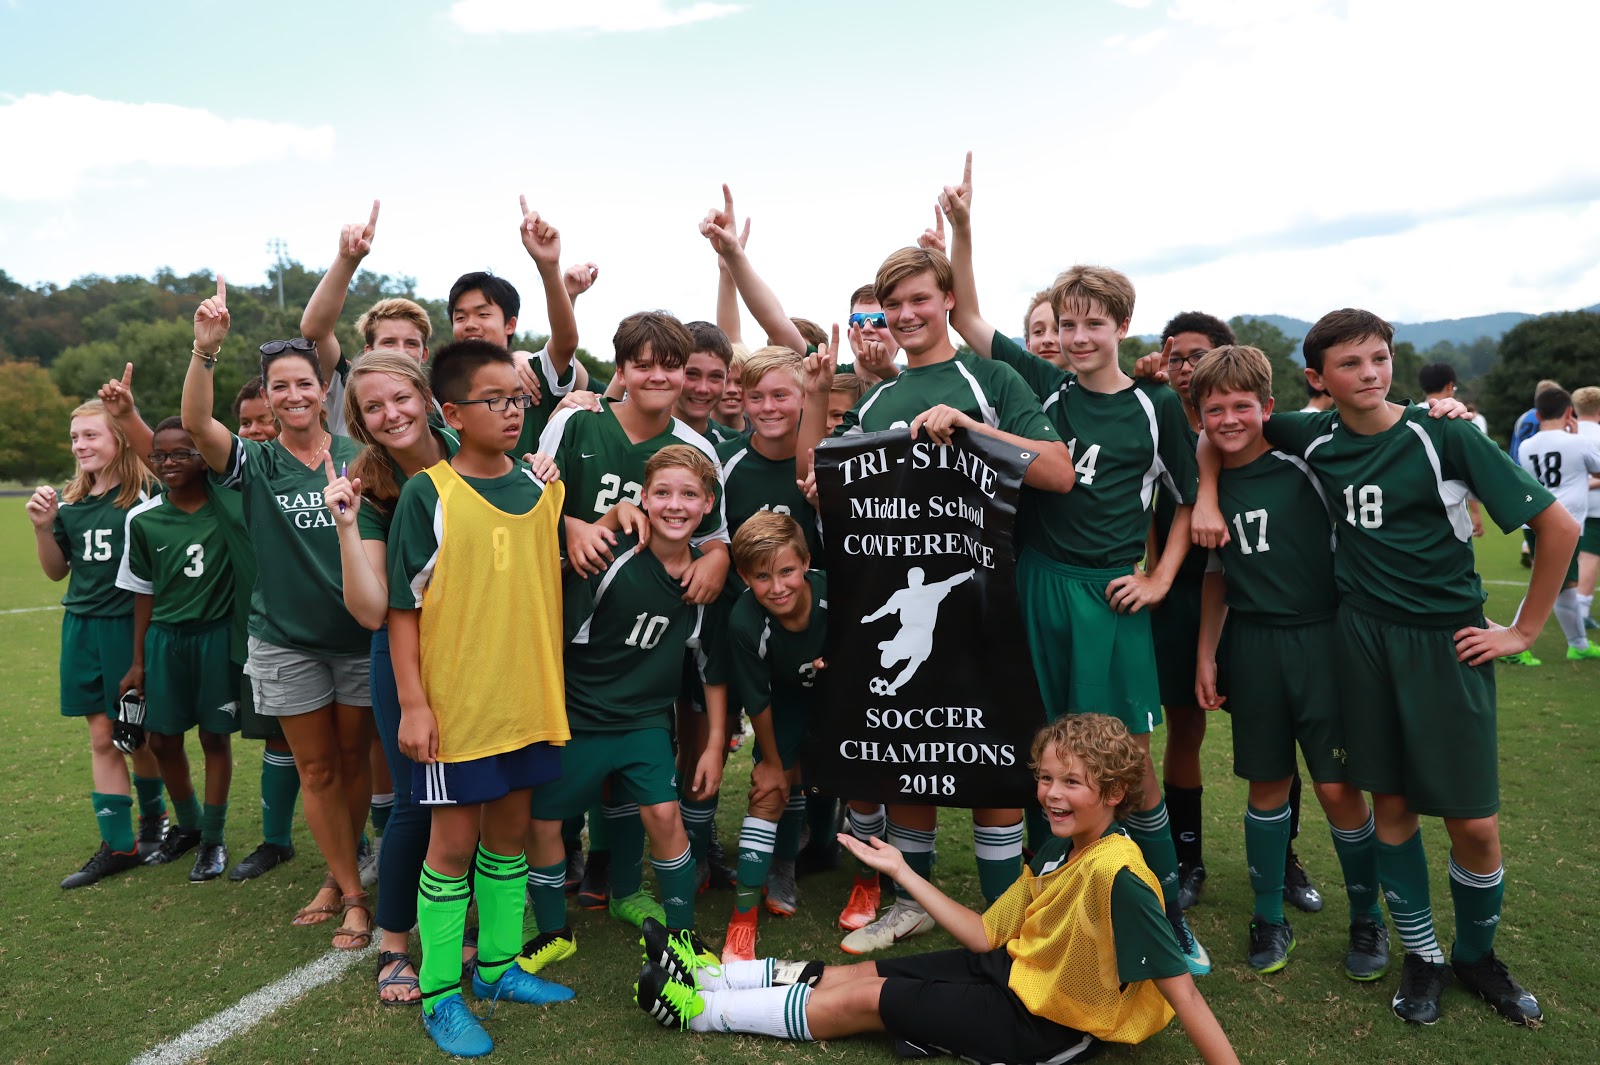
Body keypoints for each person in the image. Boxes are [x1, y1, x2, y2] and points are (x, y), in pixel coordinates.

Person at [1191, 308, 1576, 1027]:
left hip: (1444, 643)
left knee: (1475, 823)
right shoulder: (1313, 434)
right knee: (1392, 807)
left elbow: (1558, 525)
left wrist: (1524, 630)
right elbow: (1219, 430)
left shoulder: (1445, 433)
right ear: (1317, 378)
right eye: (1350, 363)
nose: (1369, 374)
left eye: (1378, 358)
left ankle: (1476, 956)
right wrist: (1207, 493)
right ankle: (1422, 954)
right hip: (1362, 641)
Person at [941, 154, 1208, 975]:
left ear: (1121, 325)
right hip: (1037, 586)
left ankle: (1166, 912)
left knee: (1130, 763)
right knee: (1046, 758)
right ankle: (1052, 904)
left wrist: (1160, 578)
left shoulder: (1154, 407)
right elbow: (969, 317)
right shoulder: (1040, 384)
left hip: (1109, 597)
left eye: (1094, 323)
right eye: (1066, 324)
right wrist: (963, 228)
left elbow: (1188, 505)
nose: (1078, 337)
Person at [780, 220, 1073, 952]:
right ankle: (910, 901)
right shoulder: (879, 399)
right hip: (899, 600)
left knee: (989, 756)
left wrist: (971, 428)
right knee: (909, 756)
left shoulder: (990, 380)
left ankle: (1006, 916)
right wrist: (822, 486)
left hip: (987, 604)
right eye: (892, 305)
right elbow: (826, 483)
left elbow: (1057, 472)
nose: (906, 315)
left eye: (918, 299)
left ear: (947, 299)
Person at [636, 714, 1239, 1065]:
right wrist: (903, 872)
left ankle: (702, 1013)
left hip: (1049, 1025)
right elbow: (985, 933)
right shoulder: (1062, 844)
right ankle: (716, 976)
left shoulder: (1121, 877)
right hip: (1015, 971)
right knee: (866, 973)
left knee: (868, 1001)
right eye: (1047, 778)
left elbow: (1184, 995)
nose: (1052, 794)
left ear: (1113, 793)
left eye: (1072, 783)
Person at [386, 338, 575, 1056]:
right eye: (493, 400)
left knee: (508, 837)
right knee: (451, 847)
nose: (512, 411)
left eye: (517, 398)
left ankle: (496, 968)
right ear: (453, 412)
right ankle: (441, 993)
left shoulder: (542, 488)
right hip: (459, 713)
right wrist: (414, 703)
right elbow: (402, 610)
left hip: (528, 703)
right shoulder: (428, 493)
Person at [181, 277, 375, 951]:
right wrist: (205, 350)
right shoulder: (256, 461)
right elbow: (197, 423)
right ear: (266, 396)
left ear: (324, 390)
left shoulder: (359, 456)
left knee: (354, 763)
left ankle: (336, 871)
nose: (293, 395)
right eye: (279, 387)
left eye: (304, 383)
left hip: (357, 638)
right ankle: (352, 894)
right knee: (315, 769)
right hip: (285, 643)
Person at [1188, 346, 1388, 979]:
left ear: (1268, 407)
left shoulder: (1305, 463)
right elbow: (1216, 577)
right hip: (1253, 644)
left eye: (1241, 406)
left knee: (1336, 786)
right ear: (1200, 415)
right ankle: (1269, 915)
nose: (1228, 419)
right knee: (1266, 783)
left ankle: (1368, 918)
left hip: (1323, 640)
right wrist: (1206, 654)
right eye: (1214, 409)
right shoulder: (1204, 482)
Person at [538, 310, 730, 918]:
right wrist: (573, 525)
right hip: (567, 609)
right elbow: (530, 501)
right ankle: (555, 890)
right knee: (555, 786)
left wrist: (719, 559)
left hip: (647, 620)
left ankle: (620, 880)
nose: (657, 376)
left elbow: (717, 535)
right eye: (641, 364)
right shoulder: (575, 420)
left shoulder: (698, 448)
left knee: (633, 762)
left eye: (669, 366)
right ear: (620, 369)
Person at [521, 444, 728, 977]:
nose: (675, 505)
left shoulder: (706, 578)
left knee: (664, 814)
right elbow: (552, 632)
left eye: (689, 495)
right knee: (542, 821)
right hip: (579, 717)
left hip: (644, 721)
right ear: (644, 499)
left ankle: (681, 936)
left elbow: (710, 668)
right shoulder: (610, 557)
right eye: (663, 493)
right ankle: (553, 932)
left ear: (708, 504)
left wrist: (712, 745)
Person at [320, 350, 461, 1003]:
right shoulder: (368, 480)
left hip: (476, 648)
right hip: (403, 653)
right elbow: (372, 610)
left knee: (472, 797)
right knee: (414, 801)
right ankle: (395, 944)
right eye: (372, 407)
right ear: (360, 420)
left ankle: (462, 927)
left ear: (427, 398)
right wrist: (346, 528)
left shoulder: (471, 445)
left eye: (400, 398)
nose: (391, 414)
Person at [28, 398, 168, 888]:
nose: (80, 445)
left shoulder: (148, 495)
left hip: (129, 628)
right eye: (75, 437)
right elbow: (56, 571)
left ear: (120, 439)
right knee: (101, 736)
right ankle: (119, 844)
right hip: (82, 628)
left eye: (91, 435)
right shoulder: (70, 504)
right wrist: (43, 528)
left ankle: (155, 819)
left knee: (137, 734)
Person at [115, 417, 246, 882]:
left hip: (216, 638)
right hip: (165, 640)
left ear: (203, 457)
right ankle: (188, 824)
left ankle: (213, 837)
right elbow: (143, 592)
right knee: (162, 739)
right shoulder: (143, 518)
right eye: (159, 455)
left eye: (180, 454)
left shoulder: (230, 506)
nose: (168, 462)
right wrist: (137, 661)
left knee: (214, 737)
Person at [1149, 311, 1233, 912]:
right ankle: (1185, 855)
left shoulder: (1243, 425)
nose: (1185, 368)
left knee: (1269, 732)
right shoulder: (1151, 418)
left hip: (1246, 599)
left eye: (1198, 356)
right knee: (1184, 725)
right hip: (1174, 596)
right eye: (1176, 357)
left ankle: (1285, 858)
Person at [718, 513, 828, 962]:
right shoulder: (744, 621)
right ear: (745, 577)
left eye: (787, 571)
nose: (778, 587)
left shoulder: (835, 594)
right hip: (781, 702)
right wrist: (770, 761)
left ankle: (867, 885)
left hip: (839, 701)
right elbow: (757, 698)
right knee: (769, 790)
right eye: (762, 577)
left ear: (806, 563)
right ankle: (742, 919)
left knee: (862, 785)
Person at [224, 376, 303, 881]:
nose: (253, 430)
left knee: (345, 751)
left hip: (329, 634)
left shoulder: (323, 467)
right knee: (279, 742)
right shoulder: (231, 479)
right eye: (245, 422)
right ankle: (276, 840)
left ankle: (362, 840)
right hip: (264, 636)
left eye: (263, 420)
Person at [1514, 387, 1600, 662]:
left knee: (1564, 584)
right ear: (1569, 412)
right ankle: (1514, 644)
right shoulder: (1577, 442)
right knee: (1549, 584)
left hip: (1534, 520)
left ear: (1538, 415)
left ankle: (1578, 644)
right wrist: (1574, 436)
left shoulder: (1526, 446)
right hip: (1563, 524)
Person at [1420, 363, 1486, 538]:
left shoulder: (1407, 417)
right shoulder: (1456, 418)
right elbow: (1468, 469)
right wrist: (1476, 513)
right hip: (1450, 520)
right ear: (1450, 386)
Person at [1572, 385, 1600, 629]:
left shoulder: (1566, 433)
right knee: (1590, 556)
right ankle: (1581, 610)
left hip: (1564, 504)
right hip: (1595, 504)